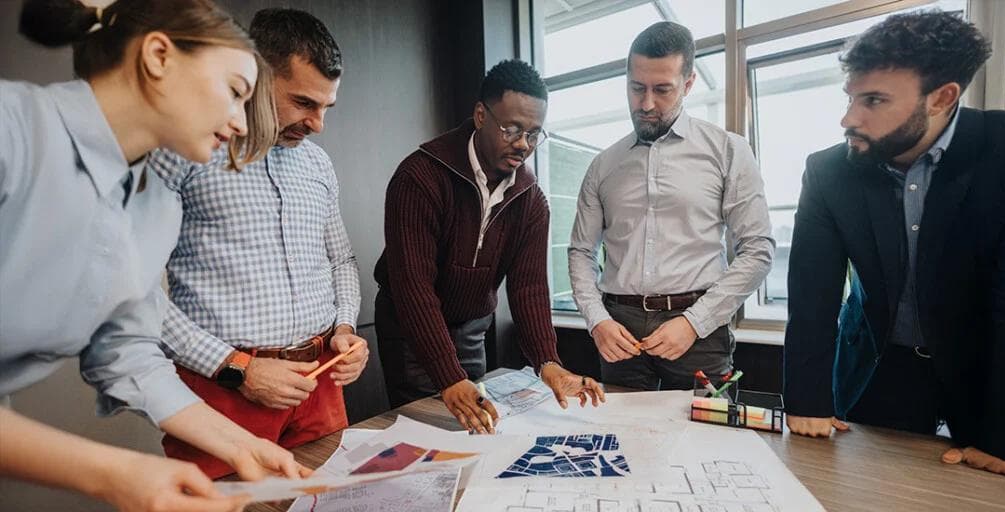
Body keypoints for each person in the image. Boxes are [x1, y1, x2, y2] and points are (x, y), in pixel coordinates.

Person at [0, 1, 309, 510]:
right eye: (235, 92)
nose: (240, 123)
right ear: (159, 56)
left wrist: (242, 444)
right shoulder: (13, 131)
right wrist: (112, 474)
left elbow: (127, 352)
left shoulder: (157, 206)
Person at [783, 11, 1005, 477]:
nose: (848, 118)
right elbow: (812, 295)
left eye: (874, 100)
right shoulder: (828, 171)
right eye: (851, 97)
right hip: (878, 366)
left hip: (987, 371)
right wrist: (807, 401)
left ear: (942, 98)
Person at [151, 8, 369, 479]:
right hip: (222, 392)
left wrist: (346, 327)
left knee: (328, 502)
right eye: (303, 102)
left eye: (326, 107)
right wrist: (237, 369)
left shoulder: (317, 164)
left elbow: (341, 260)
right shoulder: (184, 152)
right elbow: (137, 292)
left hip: (319, 384)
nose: (317, 123)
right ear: (254, 74)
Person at [374, 59, 605, 434]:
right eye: (512, 129)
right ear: (481, 115)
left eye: (534, 134)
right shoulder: (420, 177)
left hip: (471, 329)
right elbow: (412, 285)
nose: (523, 144)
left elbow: (529, 288)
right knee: (422, 433)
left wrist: (548, 361)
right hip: (410, 331)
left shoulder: (531, 201)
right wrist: (449, 376)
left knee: (475, 428)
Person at [568, 21, 774, 391]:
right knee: (622, 428)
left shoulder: (728, 151)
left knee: (704, 430)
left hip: (698, 330)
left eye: (662, 89)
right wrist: (597, 320)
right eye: (636, 88)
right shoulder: (603, 165)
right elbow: (581, 252)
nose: (646, 104)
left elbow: (757, 250)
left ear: (688, 84)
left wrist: (694, 322)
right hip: (619, 329)